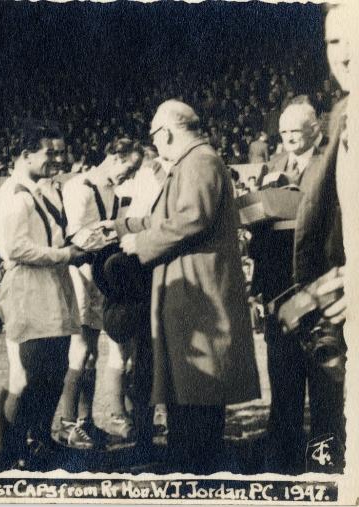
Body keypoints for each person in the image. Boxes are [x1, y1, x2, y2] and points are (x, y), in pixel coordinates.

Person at [101, 100, 261, 474]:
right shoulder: (190, 163)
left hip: (199, 296)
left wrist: (140, 244)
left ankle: (195, 468)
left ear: (167, 131)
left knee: (199, 395)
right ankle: (184, 462)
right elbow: (166, 217)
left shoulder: (199, 161)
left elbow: (192, 217)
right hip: (188, 292)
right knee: (185, 391)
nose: (155, 143)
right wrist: (122, 228)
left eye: (155, 135)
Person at [0, 121, 91, 471]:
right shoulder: (13, 194)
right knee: (27, 373)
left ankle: (41, 439)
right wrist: (65, 255)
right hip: (28, 288)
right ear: (25, 154)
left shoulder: (43, 190)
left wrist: (78, 246)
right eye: (51, 153)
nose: (59, 160)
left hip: (53, 286)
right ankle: (10, 451)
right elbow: (15, 248)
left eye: (61, 153)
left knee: (55, 369)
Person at [281, 3, 351, 473]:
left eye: (353, 38)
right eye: (333, 41)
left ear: (312, 132)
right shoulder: (346, 112)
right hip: (300, 296)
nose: (343, 54)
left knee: (329, 404)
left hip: (334, 295)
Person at [245, 100, 325, 474]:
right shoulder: (273, 168)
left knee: (324, 383)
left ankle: (326, 459)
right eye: (285, 132)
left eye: (297, 130)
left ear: (315, 129)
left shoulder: (330, 164)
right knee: (283, 379)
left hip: (319, 288)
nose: (290, 138)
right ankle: (283, 461)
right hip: (278, 290)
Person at [55, 138, 143, 450]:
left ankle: (87, 421)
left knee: (93, 352)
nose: (128, 176)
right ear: (114, 156)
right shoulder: (80, 186)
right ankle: (68, 424)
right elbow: (76, 236)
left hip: (102, 275)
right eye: (128, 168)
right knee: (82, 350)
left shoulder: (114, 192)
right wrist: (110, 233)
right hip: (80, 273)